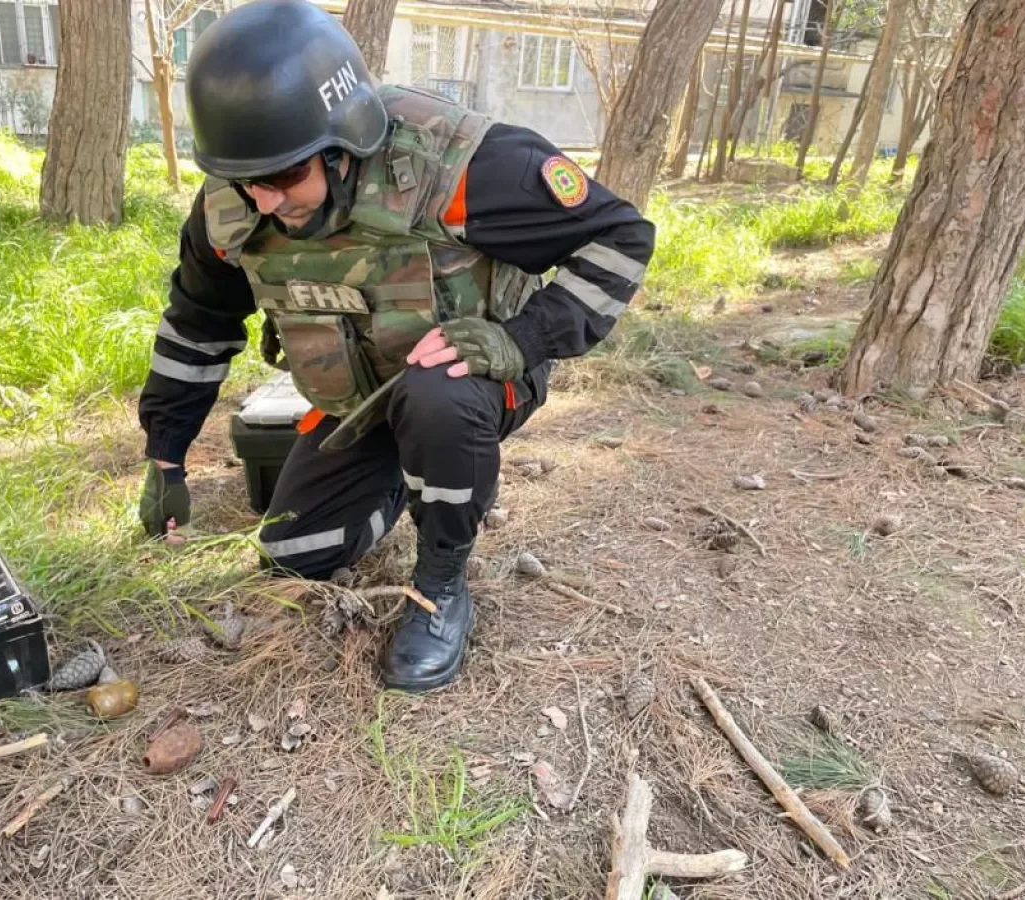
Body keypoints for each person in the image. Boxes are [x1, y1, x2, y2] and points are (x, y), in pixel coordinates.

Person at [136, 0, 655, 692]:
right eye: (247, 181)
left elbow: (622, 239)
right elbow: (199, 321)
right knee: (295, 553)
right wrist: (166, 452)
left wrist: (519, 340)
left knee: (436, 395)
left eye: (286, 177)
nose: (264, 202)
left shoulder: (463, 166)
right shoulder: (234, 204)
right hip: (361, 397)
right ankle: (397, 477)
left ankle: (441, 584)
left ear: (341, 144)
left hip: (469, 384)